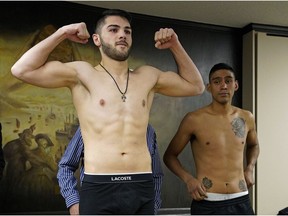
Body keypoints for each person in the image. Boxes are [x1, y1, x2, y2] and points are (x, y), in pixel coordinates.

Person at [11, 9, 204, 214]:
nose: (122, 35)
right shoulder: (82, 74)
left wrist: (175, 45)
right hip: (100, 185)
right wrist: (63, 33)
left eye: (127, 31)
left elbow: (195, 86)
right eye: (113, 30)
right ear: (97, 39)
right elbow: (21, 70)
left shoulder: (148, 76)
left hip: (141, 183)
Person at [163, 63, 260, 215]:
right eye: (217, 81)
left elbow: (254, 145)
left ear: (235, 85)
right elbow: (169, 156)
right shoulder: (194, 119)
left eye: (228, 81)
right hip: (208, 201)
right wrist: (189, 180)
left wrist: (250, 168)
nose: (223, 86)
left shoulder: (247, 117)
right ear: (209, 87)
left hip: (241, 200)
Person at [57, 124, 163, 215]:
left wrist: (153, 206)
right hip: (96, 202)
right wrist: (73, 202)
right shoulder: (89, 126)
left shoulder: (148, 130)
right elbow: (66, 166)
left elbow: (156, 174)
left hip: (138, 205)